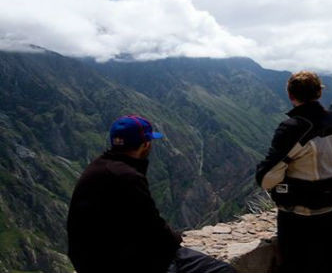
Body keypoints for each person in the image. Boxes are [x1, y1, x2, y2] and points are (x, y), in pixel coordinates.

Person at [67, 115, 235, 273]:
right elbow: (152, 227)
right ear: (146, 144)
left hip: (93, 260)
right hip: (119, 262)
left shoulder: (99, 167)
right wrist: (175, 240)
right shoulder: (127, 176)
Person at [255, 71, 332, 273]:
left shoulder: (294, 127)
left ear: (290, 95)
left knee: (296, 266)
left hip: (300, 215)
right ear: (319, 93)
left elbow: (266, 179)